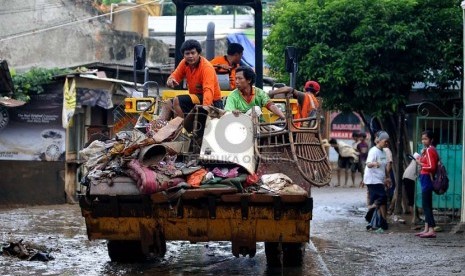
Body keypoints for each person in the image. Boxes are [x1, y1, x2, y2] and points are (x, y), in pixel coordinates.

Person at [162, 39, 223, 120]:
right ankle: (158, 128)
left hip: (212, 102)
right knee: (168, 103)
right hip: (196, 99)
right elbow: (175, 75)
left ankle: (183, 129)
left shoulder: (206, 67)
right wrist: (170, 80)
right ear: (183, 55)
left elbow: (208, 91)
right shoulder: (184, 63)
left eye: (193, 53)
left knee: (177, 100)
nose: (190, 56)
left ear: (198, 54)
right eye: (187, 53)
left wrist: (205, 110)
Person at [363, 131, 391, 226]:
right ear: (379, 140)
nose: (387, 143)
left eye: (388, 142)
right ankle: (371, 210)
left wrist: (387, 177)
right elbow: (368, 164)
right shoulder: (373, 151)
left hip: (379, 179)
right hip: (372, 179)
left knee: (379, 200)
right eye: (385, 141)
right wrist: (374, 163)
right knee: (382, 197)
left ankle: (379, 222)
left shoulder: (383, 152)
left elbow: (384, 167)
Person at [415, 130, 439, 238]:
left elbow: (431, 167)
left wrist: (420, 163)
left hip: (427, 178)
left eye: (425, 139)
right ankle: (426, 229)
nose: (423, 141)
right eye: (422, 139)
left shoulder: (430, 150)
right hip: (425, 178)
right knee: (426, 205)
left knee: (426, 205)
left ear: (431, 140)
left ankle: (431, 229)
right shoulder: (428, 150)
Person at [403, 156, 420, 227]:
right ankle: (414, 218)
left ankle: (416, 217)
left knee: (412, 198)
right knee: (412, 199)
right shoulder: (421, 155)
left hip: (408, 177)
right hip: (409, 178)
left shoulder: (418, 155)